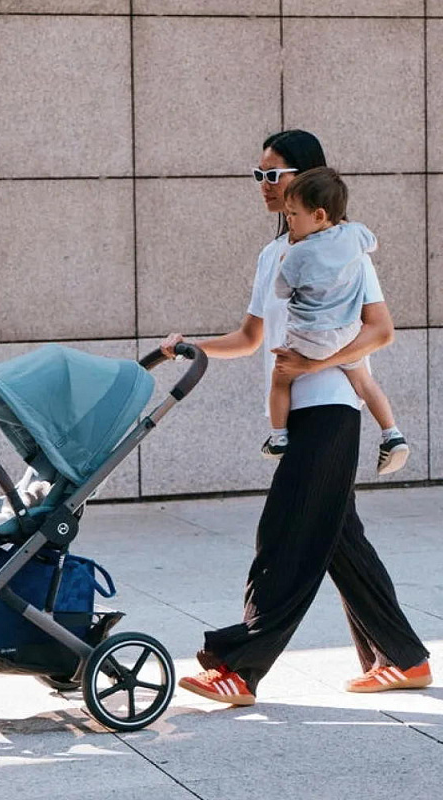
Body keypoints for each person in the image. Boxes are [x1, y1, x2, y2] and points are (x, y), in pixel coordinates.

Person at [161, 129, 431, 707]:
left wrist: (315, 364)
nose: (264, 185)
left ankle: (239, 668)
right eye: (258, 175)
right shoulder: (273, 255)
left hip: (331, 407)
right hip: (304, 411)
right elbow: (250, 338)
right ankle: (404, 657)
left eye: (274, 174)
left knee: (285, 537)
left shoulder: (344, 248)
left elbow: (380, 331)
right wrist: (191, 348)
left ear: (307, 179)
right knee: (338, 541)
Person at [261, 166, 409, 477]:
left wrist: (287, 261)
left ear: (318, 215)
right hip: (347, 334)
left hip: (309, 338)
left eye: (293, 214)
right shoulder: (355, 234)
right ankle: (392, 434)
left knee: (280, 377)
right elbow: (372, 241)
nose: (289, 220)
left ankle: (278, 437)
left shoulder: (297, 253)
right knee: (364, 380)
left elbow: (281, 292)